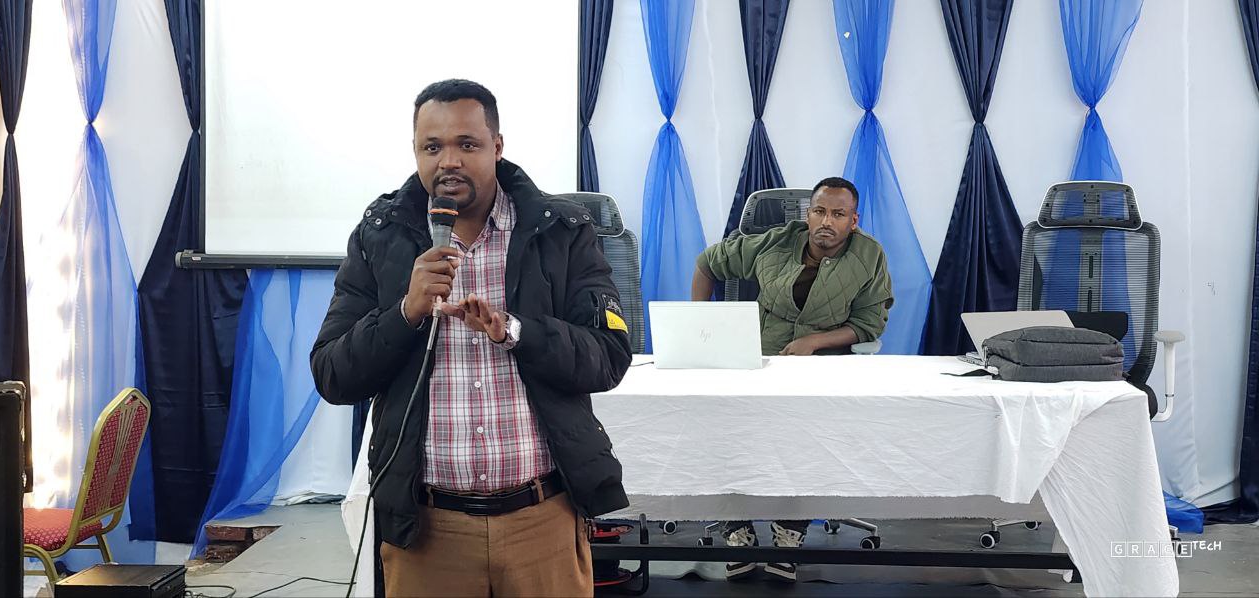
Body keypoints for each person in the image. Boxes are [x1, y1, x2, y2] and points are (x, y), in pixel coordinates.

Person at [311, 79, 631, 597]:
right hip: (427, 530)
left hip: (541, 520)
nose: (449, 162)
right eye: (432, 147)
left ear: (497, 147)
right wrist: (406, 312)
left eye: (467, 144)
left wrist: (516, 331)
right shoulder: (381, 235)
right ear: (415, 151)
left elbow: (609, 355)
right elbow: (332, 374)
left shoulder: (562, 230)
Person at [690, 177, 893, 581]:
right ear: (808, 214)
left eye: (838, 214)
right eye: (820, 211)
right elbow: (707, 263)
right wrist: (703, 323)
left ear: (853, 221)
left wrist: (815, 341)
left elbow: (869, 324)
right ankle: (737, 530)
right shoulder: (776, 242)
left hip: (822, 367)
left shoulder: (869, 256)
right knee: (726, 432)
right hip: (758, 359)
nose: (827, 221)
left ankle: (790, 533)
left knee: (806, 442)